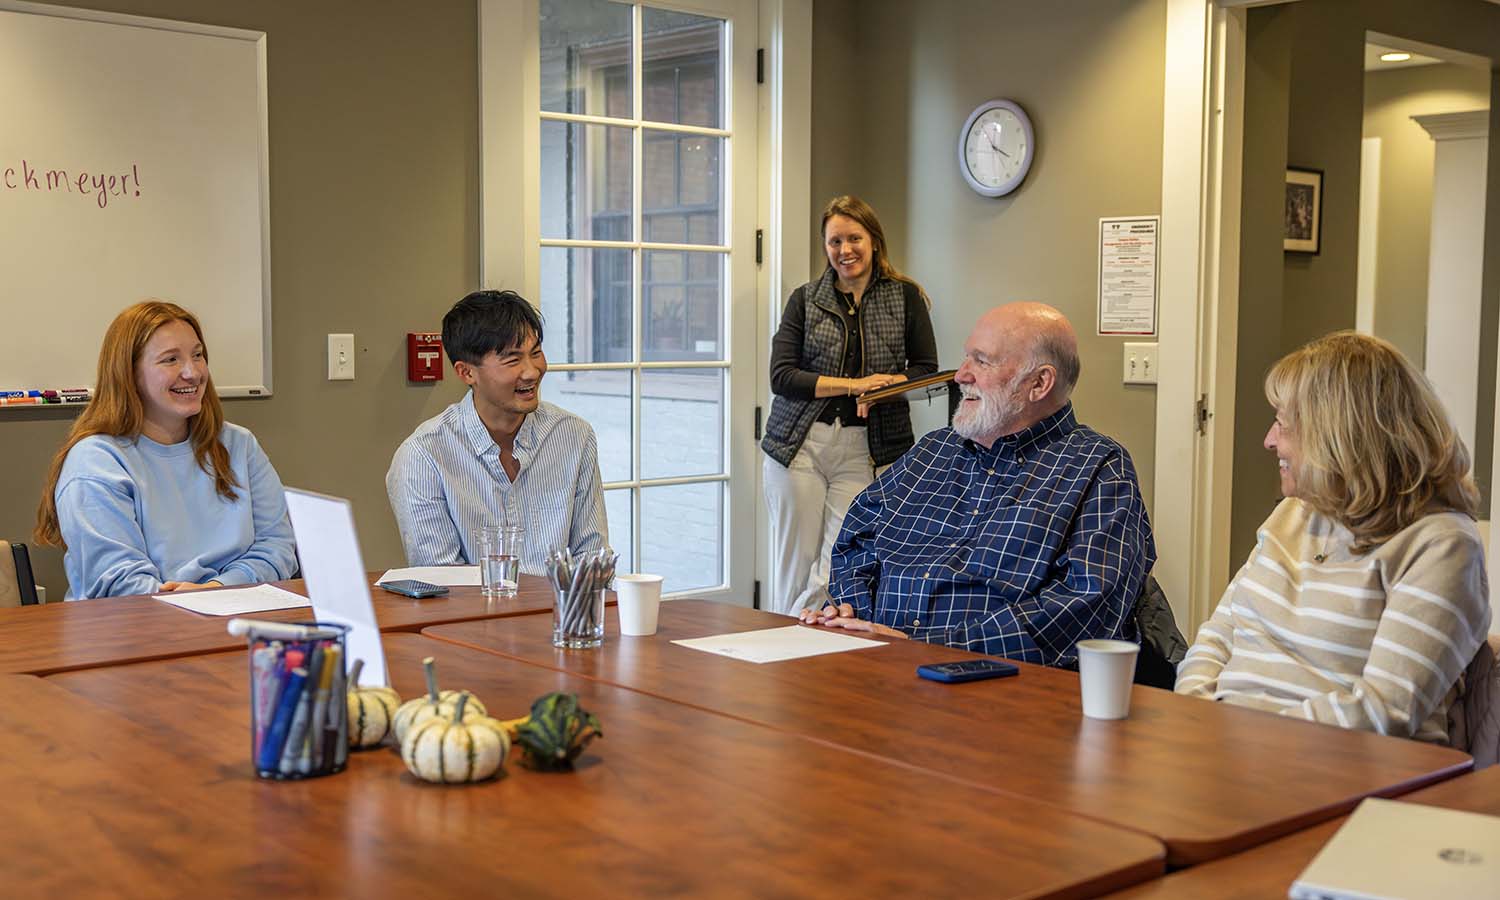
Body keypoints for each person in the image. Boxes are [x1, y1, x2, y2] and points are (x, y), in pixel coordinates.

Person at [799, 302, 1155, 668]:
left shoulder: (1097, 467)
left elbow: (1089, 606)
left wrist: (925, 647)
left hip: (1002, 688)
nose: (961, 375)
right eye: (966, 357)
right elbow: (857, 543)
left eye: (982, 361)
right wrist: (852, 615)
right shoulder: (932, 451)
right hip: (875, 666)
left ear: (1039, 383)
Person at [1176, 332, 1491, 742]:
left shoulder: (1441, 545)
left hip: (1348, 775)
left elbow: (1384, 710)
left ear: (1339, 438)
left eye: (1283, 425)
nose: (1270, 441)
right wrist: (1195, 719)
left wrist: (1243, 739)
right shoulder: (1294, 513)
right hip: (1225, 750)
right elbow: (1217, 638)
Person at [34, 300, 298, 600]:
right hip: (130, 632)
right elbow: (121, 585)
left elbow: (277, 546)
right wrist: (196, 604)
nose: (193, 372)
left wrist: (218, 590)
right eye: (170, 359)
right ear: (129, 373)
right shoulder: (95, 461)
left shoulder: (239, 444)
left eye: (197, 355)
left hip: (233, 614)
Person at [761, 196, 938, 615]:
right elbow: (782, 376)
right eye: (834, 241)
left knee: (837, 563)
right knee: (795, 563)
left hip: (868, 449)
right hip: (798, 447)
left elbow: (926, 370)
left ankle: (799, 640)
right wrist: (854, 385)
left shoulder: (906, 297)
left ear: (874, 240)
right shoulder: (805, 300)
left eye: (854, 238)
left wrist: (882, 387)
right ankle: (786, 648)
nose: (845, 250)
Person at [386, 289, 607, 573]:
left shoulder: (574, 436)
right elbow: (443, 581)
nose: (532, 371)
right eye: (512, 360)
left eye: (536, 353)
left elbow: (592, 558)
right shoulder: (423, 456)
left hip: (564, 616)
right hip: (473, 616)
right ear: (466, 373)